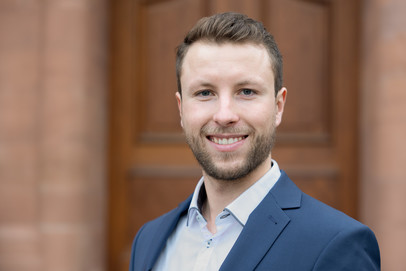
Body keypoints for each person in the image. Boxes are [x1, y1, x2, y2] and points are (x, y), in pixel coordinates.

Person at [129, 12, 380, 271]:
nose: (225, 115)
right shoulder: (148, 241)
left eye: (246, 92)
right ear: (181, 109)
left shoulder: (338, 243)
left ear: (278, 106)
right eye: (205, 93)